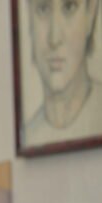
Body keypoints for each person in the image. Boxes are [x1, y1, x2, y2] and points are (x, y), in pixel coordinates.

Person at [25, 0, 102, 145]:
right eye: (43, 9)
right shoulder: (28, 136)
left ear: (90, 14)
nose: (54, 38)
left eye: (69, 7)